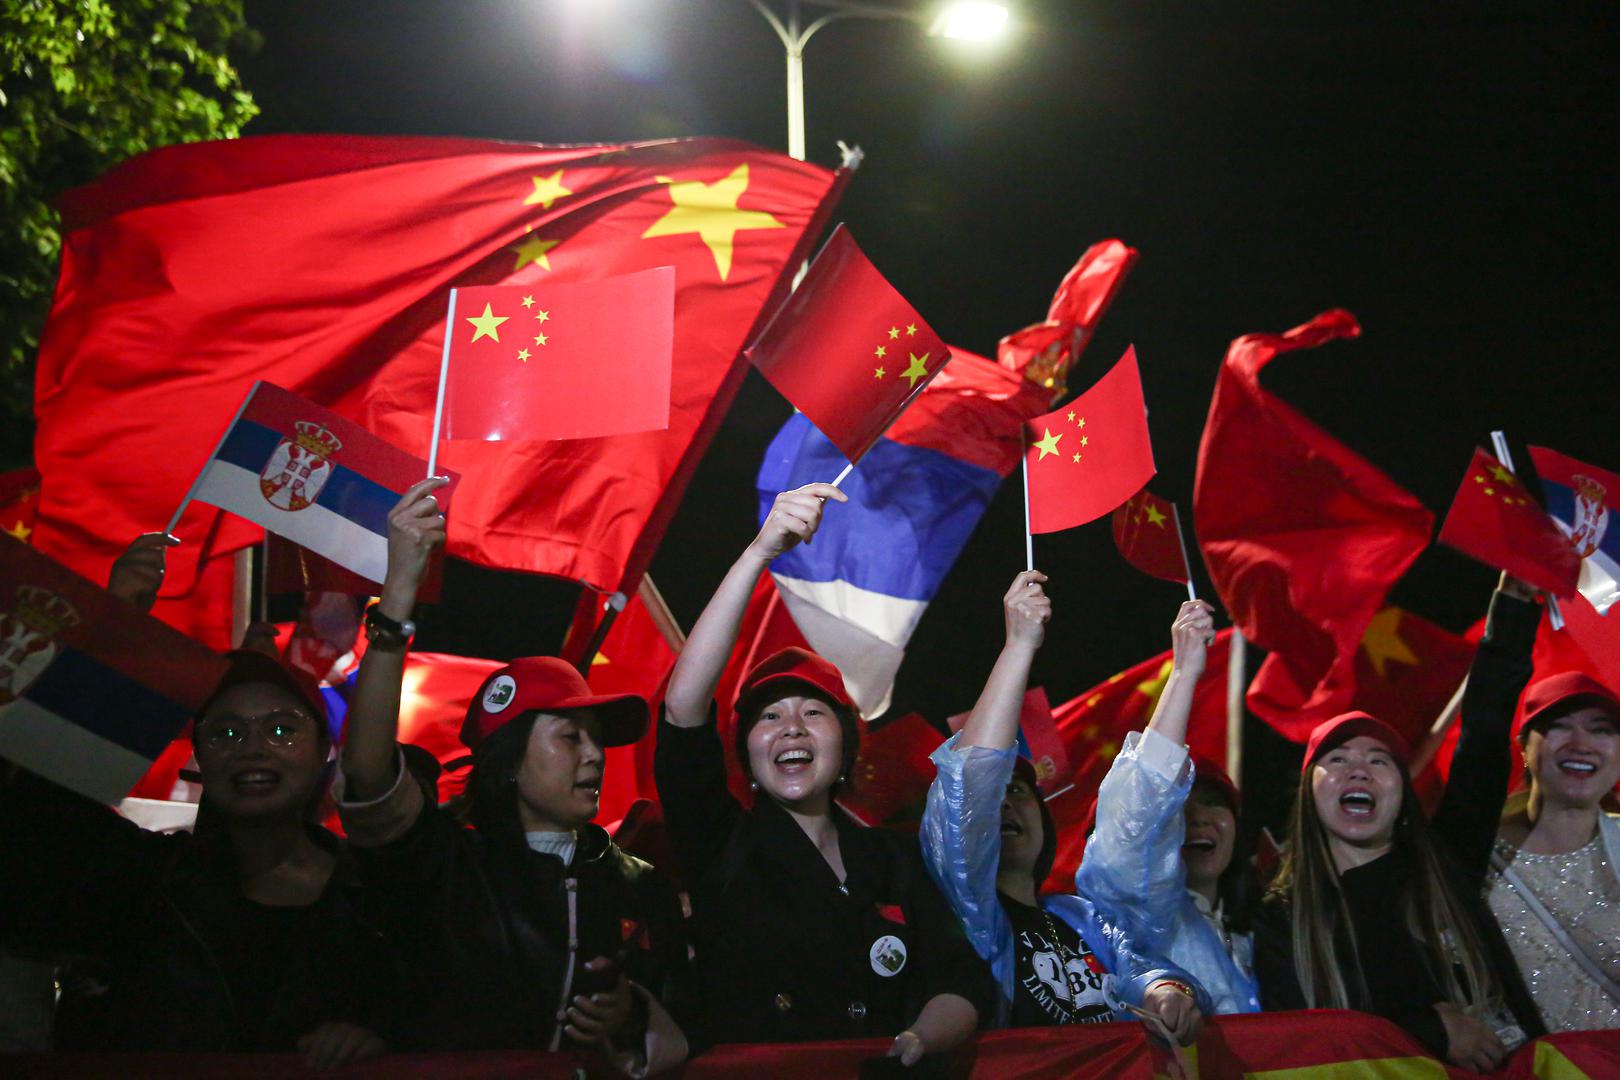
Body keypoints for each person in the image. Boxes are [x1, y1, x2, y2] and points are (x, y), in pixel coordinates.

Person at [335, 477, 690, 1074]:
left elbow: (693, 1013)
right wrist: (398, 596)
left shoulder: (639, 885)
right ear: (507, 764)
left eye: (598, 741)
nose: (595, 757)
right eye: (571, 738)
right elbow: (368, 770)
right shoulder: (446, 864)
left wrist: (632, 1013)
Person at [656, 484, 993, 1063]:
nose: (791, 727)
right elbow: (683, 711)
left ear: (844, 747)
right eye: (769, 716)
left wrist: (914, 1043)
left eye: (813, 713)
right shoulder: (723, 844)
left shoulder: (895, 860)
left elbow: (958, 979)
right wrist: (759, 553)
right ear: (747, 755)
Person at [0, 603, 397, 1067]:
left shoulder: (379, 898)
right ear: (200, 758)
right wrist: (119, 622)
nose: (253, 747)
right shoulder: (140, 880)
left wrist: (381, 1036)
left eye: (281, 729)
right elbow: (34, 825)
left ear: (323, 753)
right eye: (226, 731)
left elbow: (442, 1003)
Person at [1254, 576, 1547, 1073]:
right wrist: (1431, 1031)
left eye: (1380, 760)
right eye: (1338, 759)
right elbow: (1307, 1042)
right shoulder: (1282, 918)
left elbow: (1483, 739)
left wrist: (1511, 618)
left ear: (1403, 796)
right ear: (1308, 795)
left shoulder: (1446, 861)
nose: (1359, 769)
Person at [920, 571, 1208, 1040]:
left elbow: (1137, 821)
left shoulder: (1083, 918)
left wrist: (1164, 990)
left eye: (1020, 792)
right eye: (998, 793)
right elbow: (969, 789)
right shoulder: (967, 913)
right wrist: (1018, 647)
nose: (1006, 805)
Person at [1075, 599, 1261, 1015]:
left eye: (1215, 804)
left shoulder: (1267, 934)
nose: (1197, 817)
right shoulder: (1145, 919)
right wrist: (1183, 675)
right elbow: (1132, 829)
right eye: (1178, 808)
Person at [1487, 671, 1620, 1030]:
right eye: (1560, 726)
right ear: (1524, 746)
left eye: (1602, 729)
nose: (1581, 743)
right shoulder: (1471, 858)